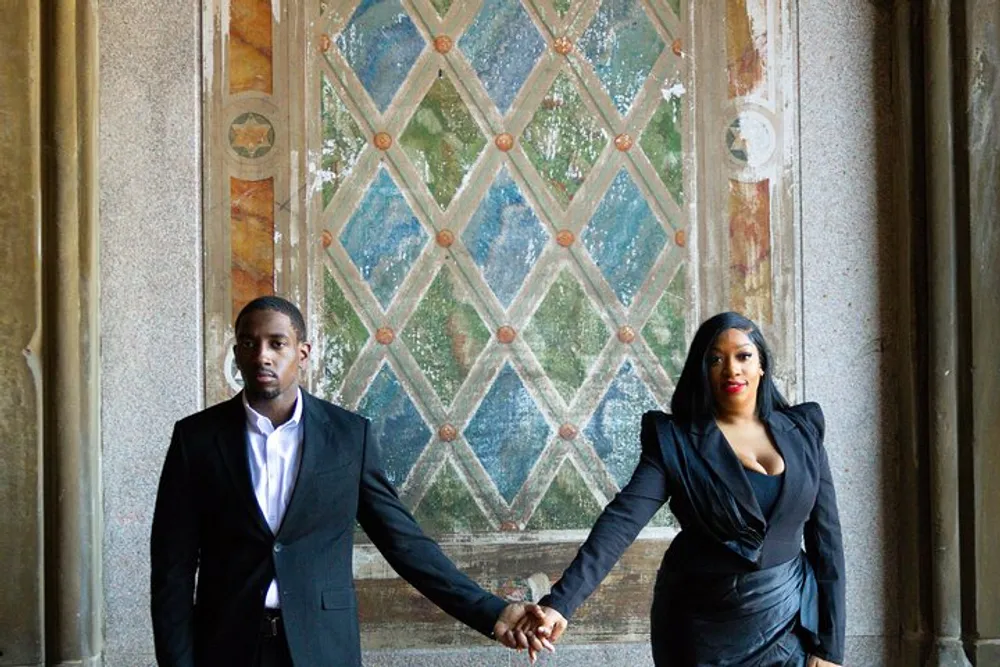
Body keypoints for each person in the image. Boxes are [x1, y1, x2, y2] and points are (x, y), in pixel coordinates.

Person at [150, 295, 546, 666]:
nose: (262, 356)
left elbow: (405, 544)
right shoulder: (196, 439)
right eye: (249, 344)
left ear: (302, 353)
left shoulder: (347, 437)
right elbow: (172, 570)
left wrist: (493, 610)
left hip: (322, 647)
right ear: (237, 353)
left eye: (277, 343)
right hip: (225, 646)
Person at [509, 311, 845, 666]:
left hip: (790, 619)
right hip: (703, 630)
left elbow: (828, 542)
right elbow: (621, 522)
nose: (731, 369)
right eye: (716, 359)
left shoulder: (804, 430)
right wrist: (560, 602)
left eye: (743, 356)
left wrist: (829, 648)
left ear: (762, 364)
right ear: (703, 371)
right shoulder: (675, 441)